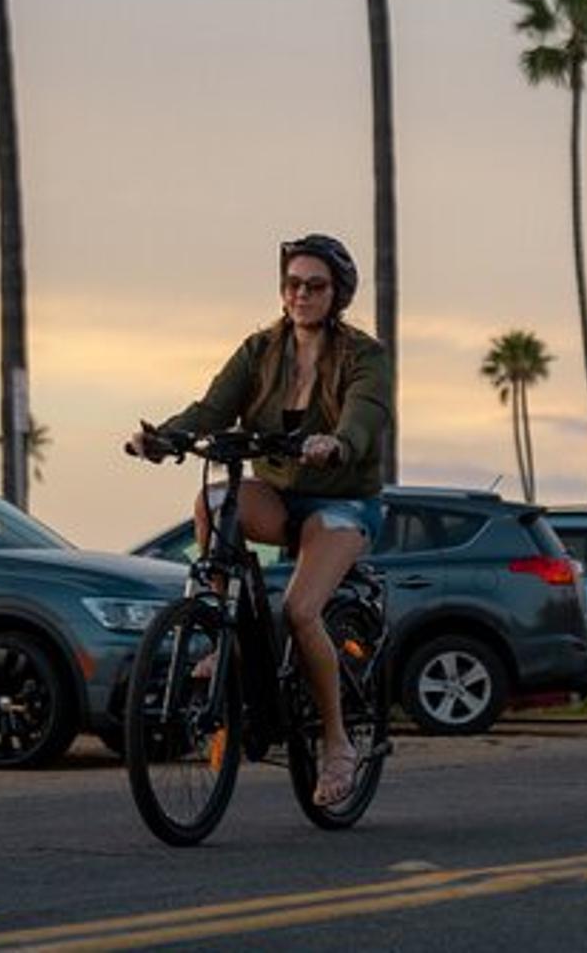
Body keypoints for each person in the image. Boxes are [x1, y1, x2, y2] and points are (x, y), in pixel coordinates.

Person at [129, 235, 392, 808]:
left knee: (300, 610)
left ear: (337, 293)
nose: (301, 294)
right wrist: (164, 438)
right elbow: (211, 409)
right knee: (214, 502)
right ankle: (224, 632)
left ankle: (339, 744)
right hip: (279, 494)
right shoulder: (260, 350)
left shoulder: (364, 356)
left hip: (342, 503)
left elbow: (365, 415)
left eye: (315, 285)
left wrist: (338, 443)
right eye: (293, 284)